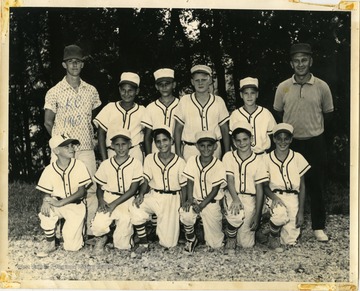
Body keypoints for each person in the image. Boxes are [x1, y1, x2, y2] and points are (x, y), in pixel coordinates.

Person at [273, 43, 334, 242]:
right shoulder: (283, 87)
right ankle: (288, 223)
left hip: (315, 141)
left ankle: (318, 227)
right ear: (291, 63)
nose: (300, 64)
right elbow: (279, 113)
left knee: (316, 185)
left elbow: (328, 115)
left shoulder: (322, 86)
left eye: (304, 60)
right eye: (296, 61)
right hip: (291, 143)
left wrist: (321, 137)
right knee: (290, 184)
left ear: (311, 61)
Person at [43, 44, 101, 239]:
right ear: (64, 64)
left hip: (84, 148)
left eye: (78, 61)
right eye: (70, 61)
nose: (74, 65)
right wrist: (59, 144)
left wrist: (92, 140)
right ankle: (59, 229)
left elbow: (94, 119)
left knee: (90, 188)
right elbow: (47, 122)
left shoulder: (91, 90)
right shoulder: (54, 91)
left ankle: (90, 229)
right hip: (63, 150)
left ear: (82, 64)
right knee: (59, 189)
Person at [130, 126, 187, 254]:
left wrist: (183, 204)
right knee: (135, 206)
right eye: (158, 141)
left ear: (171, 141)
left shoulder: (180, 161)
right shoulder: (150, 158)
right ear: (155, 143)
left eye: (165, 140)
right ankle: (144, 243)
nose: (162, 144)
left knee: (169, 243)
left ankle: (158, 227)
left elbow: (184, 186)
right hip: (154, 195)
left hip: (172, 199)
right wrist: (141, 194)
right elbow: (146, 180)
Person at [36, 134, 92, 257]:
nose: (71, 148)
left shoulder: (79, 165)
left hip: (75, 204)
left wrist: (61, 203)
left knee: (72, 247)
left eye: (72, 145)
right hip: (57, 201)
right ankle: (51, 243)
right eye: (66, 147)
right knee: (45, 212)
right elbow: (46, 191)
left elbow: (82, 192)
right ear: (56, 150)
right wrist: (46, 200)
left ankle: (78, 232)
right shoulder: (49, 169)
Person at [91, 129, 143, 254]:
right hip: (108, 197)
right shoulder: (106, 164)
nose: (121, 148)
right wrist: (101, 201)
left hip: (126, 200)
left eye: (124, 144)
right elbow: (99, 187)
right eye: (117, 145)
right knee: (98, 226)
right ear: (112, 146)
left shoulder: (136, 163)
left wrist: (114, 205)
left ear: (130, 144)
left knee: (122, 246)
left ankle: (126, 235)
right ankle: (103, 237)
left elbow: (133, 190)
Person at [262, 123, 310, 251]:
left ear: (291, 139)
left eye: (286, 138)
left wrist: (301, 212)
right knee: (280, 215)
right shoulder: (266, 159)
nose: (282, 142)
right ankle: (273, 234)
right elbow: (265, 186)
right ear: (274, 139)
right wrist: (274, 197)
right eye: (279, 138)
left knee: (289, 241)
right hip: (275, 195)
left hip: (293, 197)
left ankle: (272, 228)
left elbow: (302, 186)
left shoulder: (298, 157)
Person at [222, 121, 268, 254]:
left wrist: (257, 215)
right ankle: (230, 236)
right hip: (233, 195)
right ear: (234, 142)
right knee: (236, 215)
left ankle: (253, 228)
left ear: (251, 139)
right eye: (238, 141)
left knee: (246, 244)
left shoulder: (259, 160)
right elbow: (230, 180)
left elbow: (260, 189)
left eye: (245, 139)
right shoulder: (229, 156)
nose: (242, 143)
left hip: (250, 198)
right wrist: (236, 199)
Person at [179, 131, 227, 253]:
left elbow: (215, 190)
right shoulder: (192, 160)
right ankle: (191, 239)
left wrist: (201, 206)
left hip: (210, 203)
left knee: (216, 245)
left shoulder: (219, 164)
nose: (206, 149)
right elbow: (190, 181)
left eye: (209, 145)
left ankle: (208, 232)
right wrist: (190, 199)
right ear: (197, 146)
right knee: (186, 214)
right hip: (195, 200)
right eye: (202, 145)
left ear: (215, 146)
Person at [174, 65, 230, 161]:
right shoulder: (185, 101)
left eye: (203, 80)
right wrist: (178, 153)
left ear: (209, 81)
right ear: (192, 82)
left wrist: (227, 154)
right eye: (197, 80)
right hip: (191, 149)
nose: (200, 83)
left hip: (214, 149)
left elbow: (225, 129)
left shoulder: (218, 101)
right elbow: (178, 129)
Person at [94, 72, 146, 163]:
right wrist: (105, 160)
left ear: (137, 91)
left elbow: (148, 134)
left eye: (130, 90)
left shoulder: (142, 110)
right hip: (112, 151)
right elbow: (101, 134)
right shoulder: (110, 107)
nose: (126, 93)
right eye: (123, 90)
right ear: (119, 90)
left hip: (134, 152)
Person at [229, 77, 277, 155]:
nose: (249, 96)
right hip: (242, 156)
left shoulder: (265, 113)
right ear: (241, 95)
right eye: (246, 93)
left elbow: (273, 136)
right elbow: (232, 138)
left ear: (257, 94)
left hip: (262, 155)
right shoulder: (235, 114)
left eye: (252, 93)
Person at [142, 68, 179, 155]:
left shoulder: (181, 105)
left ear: (174, 85)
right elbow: (147, 137)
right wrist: (149, 157)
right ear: (156, 87)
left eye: (167, 84)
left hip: (176, 150)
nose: (164, 87)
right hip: (157, 151)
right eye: (160, 84)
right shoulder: (151, 107)